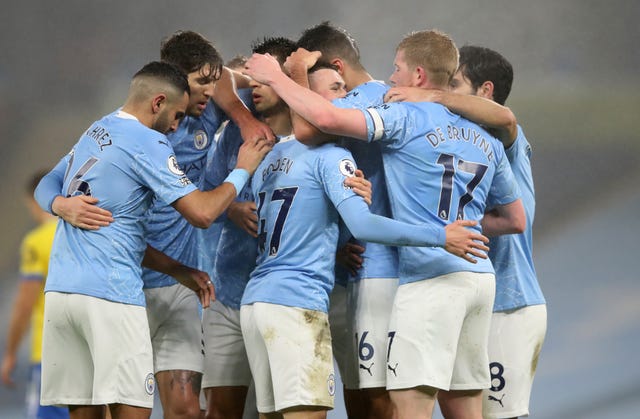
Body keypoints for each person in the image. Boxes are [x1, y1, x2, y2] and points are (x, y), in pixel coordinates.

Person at [242, 28, 526, 419]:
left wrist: (280, 75)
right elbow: (515, 215)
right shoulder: (483, 131)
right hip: (477, 274)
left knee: (399, 404)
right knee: (463, 406)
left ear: (419, 76)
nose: (390, 78)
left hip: (417, 271)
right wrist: (465, 228)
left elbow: (316, 122)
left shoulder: (399, 111)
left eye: (397, 69)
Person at [34, 61, 270, 419]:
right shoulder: (148, 142)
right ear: (158, 102)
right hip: (110, 296)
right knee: (132, 410)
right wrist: (243, 169)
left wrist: (59, 204)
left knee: (84, 413)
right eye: (175, 115)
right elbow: (203, 213)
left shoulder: (98, 129)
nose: (176, 126)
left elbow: (47, 184)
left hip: (63, 295)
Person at [388, 46, 546, 419]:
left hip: (509, 301)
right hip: (467, 293)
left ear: (485, 91)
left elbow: (506, 120)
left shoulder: (505, 135)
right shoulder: (458, 139)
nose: (446, 92)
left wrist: (427, 93)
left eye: (455, 84)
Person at [294, 22, 399, 418]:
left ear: (335, 68)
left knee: (377, 398)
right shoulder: (389, 96)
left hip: (375, 267)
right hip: (351, 267)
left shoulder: (362, 101)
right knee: (363, 394)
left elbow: (307, 125)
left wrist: (286, 78)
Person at [1, 170, 69, 419]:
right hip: (86, 349)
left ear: (34, 200)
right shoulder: (84, 234)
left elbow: (24, 304)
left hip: (49, 351)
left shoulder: (37, 241)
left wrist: (9, 353)